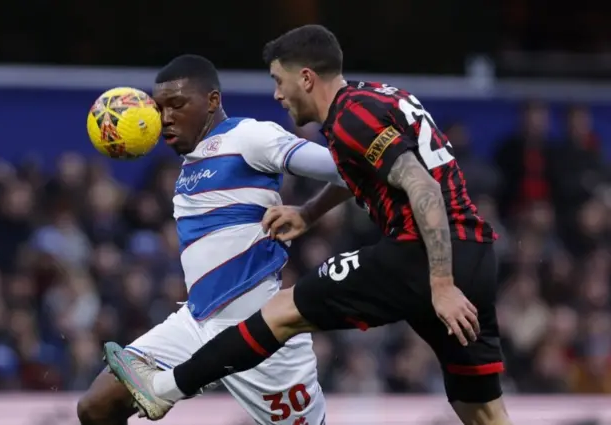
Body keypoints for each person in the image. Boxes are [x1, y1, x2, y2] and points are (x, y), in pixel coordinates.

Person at [103, 26, 512, 425]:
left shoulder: (348, 117)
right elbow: (366, 171)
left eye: (279, 82)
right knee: (482, 411)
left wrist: (440, 283)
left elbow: (421, 184)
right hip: (473, 255)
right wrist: (309, 213)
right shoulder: (379, 96)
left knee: (282, 311)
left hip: (418, 254)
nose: (277, 94)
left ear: (306, 77)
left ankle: (163, 389)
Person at [78, 54, 344, 425]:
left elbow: (348, 167)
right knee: (96, 406)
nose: (165, 117)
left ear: (213, 101)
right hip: (196, 322)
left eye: (177, 105)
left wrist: (310, 212)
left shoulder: (249, 136)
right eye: (159, 108)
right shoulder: (189, 166)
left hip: (261, 330)